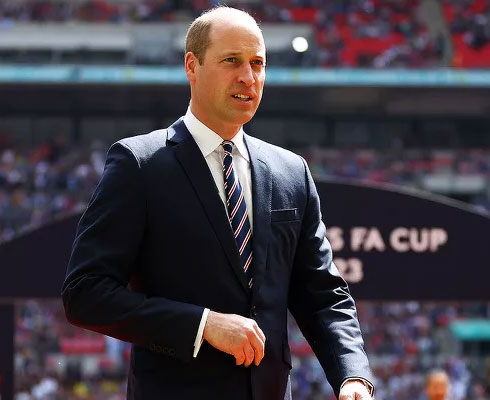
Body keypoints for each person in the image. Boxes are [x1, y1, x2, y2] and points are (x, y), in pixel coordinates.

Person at [61, 6, 373, 400]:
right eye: (232, 61)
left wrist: (353, 376)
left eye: (257, 63)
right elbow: (85, 293)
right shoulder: (139, 164)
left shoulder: (291, 171)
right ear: (192, 65)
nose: (248, 76)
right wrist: (202, 325)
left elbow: (323, 293)